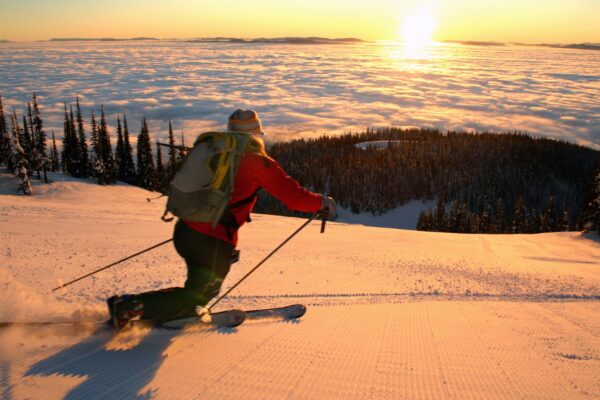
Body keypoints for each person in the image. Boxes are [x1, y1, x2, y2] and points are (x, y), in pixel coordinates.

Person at [108, 109, 336, 327]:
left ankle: (141, 308)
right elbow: (294, 197)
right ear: (257, 134)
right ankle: (133, 307)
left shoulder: (214, 151)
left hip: (186, 231)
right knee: (199, 294)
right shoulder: (258, 162)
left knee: (197, 289)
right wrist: (322, 203)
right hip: (212, 240)